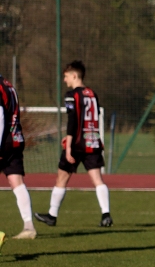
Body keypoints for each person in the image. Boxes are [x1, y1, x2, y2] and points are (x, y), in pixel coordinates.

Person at [34, 61, 111, 228]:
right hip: (93, 141)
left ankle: (52, 215)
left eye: (66, 76)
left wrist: (68, 146)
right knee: (97, 179)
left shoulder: (72, 95)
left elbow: (73, 120)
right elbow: (95, 116)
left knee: (61, 178)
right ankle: (106, 214)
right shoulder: (92, 94)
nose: (64, 80)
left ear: (74, 76)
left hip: (77, 143)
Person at [0, 73, 35, 239]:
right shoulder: (8, 85)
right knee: (17, 182)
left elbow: (0, 117)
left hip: (4, 141)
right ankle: (29, 227)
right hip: (15, 138)